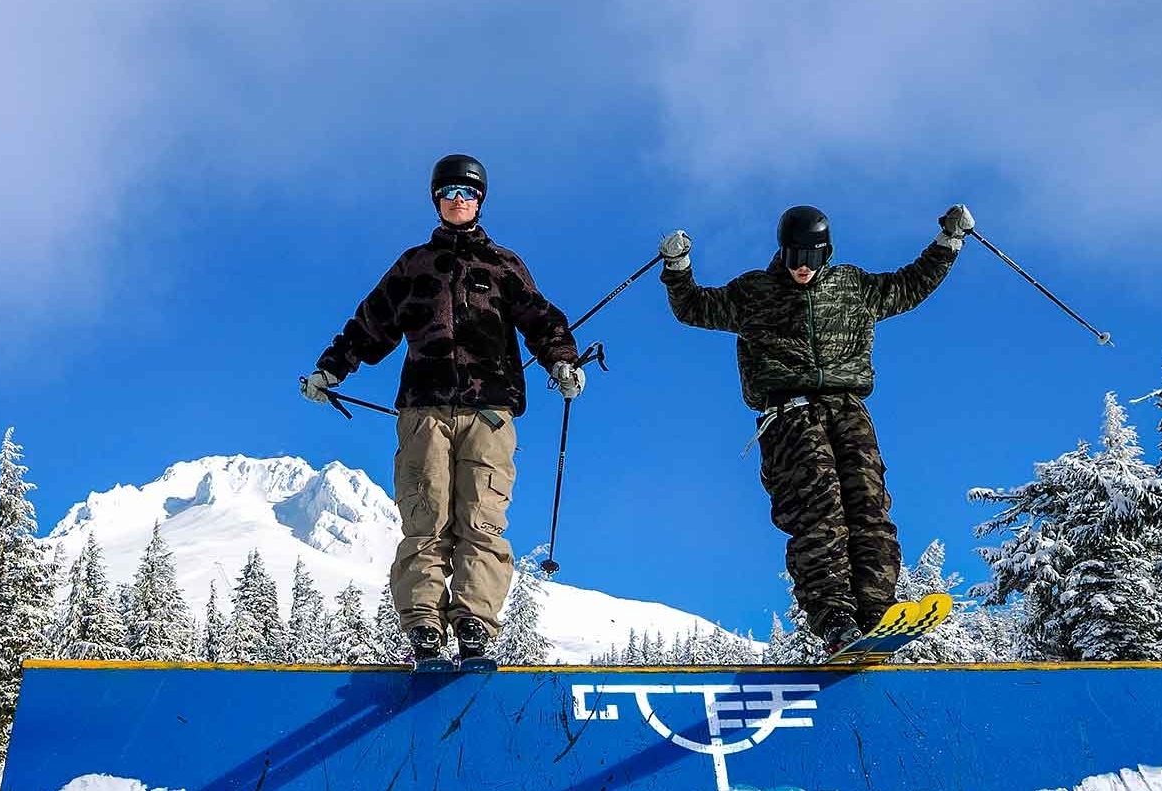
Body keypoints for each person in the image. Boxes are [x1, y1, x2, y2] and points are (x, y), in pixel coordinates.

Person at [304, 153, 586, 663]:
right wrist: (332, 369)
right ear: (437, 200)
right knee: (426, 516)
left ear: (480, 200)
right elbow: (370, 323)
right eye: (450, 192)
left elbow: (542, 319)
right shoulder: (414, 266)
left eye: (468, 193)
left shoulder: (502, 265)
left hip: (489, 411)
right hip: (424, 409)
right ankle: (424, 627)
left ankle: (475, 623)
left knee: (481, 517)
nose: (459, 200)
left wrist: (562, 362)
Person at [657, 203, 973, 652]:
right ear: (781, 252)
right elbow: (692, 307)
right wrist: (678, 266)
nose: (801, 268)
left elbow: (911, 284)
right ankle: (836, 617)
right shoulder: (755, 292)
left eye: (811, 258)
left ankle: (877, 609)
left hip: (847, 408)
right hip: (788, 414)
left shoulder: (853, 287)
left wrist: (949, 242)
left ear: (827, 253)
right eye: (793, 258)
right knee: (819, 509)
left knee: (868, 505)